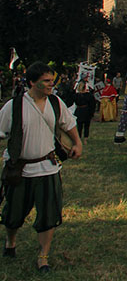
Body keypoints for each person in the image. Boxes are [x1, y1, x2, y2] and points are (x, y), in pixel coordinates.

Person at [0, 62, 82, 273]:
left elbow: (68, 123)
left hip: (47, 168)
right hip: (20, 169)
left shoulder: (55, 102)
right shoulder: (14, 106)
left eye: (52, 80)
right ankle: (10, 242)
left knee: (48, 215)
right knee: (13, 214)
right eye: (46, 81)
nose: (51, 84)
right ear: (31, 82)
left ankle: (43, 256)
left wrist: (77, 142)